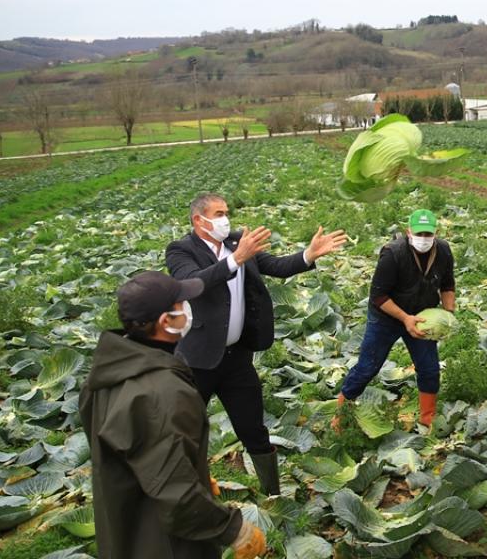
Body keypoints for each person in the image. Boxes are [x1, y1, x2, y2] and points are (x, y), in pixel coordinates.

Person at [166, 192, 347, 495]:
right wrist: (236, 259)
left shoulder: (239, 242)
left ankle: (272, 495)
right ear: (199, 220)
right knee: (184, 431)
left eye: (227, 212)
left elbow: (276, 265)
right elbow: (192, 283)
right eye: (219, 213)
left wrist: (308, 255)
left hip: (237, 357)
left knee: (253, 428)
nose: (226, 219)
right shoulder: (181, 250)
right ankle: (183, 494)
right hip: (197, 360)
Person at [78, 271, 266, 559]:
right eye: (182, 305)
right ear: (166, 322)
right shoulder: (162, 392)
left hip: (124, 524)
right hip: (164, 542)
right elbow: (176, 494)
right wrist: (233, 530)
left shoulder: (105, 374)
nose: (188, 309)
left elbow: (137, 450)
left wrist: (195, 474)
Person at [335, 209, 454, 428]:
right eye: (420, 234)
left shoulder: (444, 252)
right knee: (368, 367)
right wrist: (405, 318)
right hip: (386, 317)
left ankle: (428, 419)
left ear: (436, 233)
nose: (424, 239)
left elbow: (447, 285)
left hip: (421, 319)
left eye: (429, 234)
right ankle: (340, 415)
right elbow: (378, 296)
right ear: (409, 232)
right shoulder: (393, 253)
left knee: (429, 368)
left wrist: (449, 314)